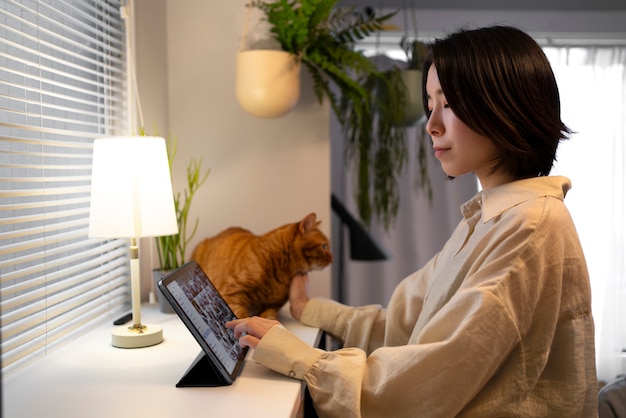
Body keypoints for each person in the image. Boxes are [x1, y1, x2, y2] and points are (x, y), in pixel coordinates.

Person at [226, 25, 597, 417]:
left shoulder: (529, 228)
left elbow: (430, 377)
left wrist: (300, 357)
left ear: (505, 105)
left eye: (449, 104)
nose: (431, 124)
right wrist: (305, 310)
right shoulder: (488, 217)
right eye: (430, 104)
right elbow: (403, 324)